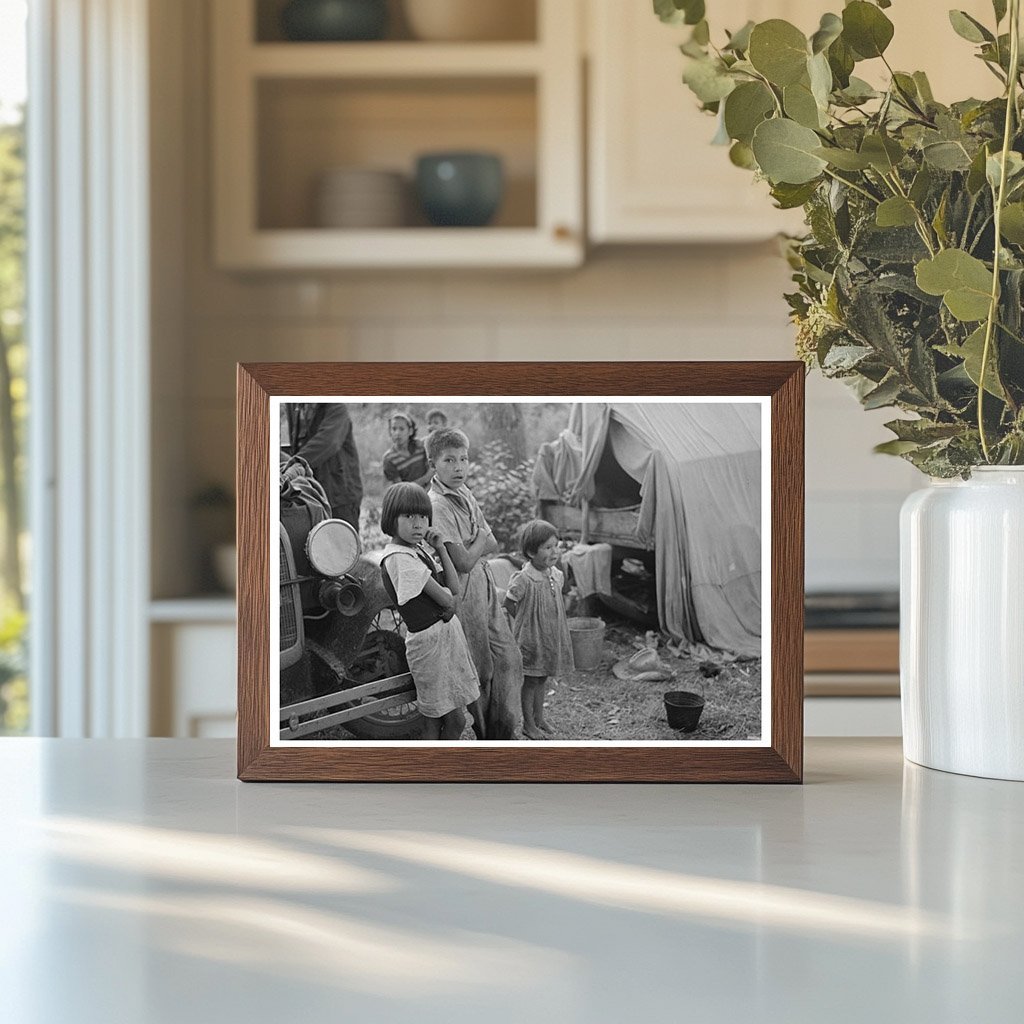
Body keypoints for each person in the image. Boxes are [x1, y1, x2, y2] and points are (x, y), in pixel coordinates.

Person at [427, 427, 524, 740]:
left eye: (464, 459)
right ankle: (487, 736)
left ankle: (504, 731)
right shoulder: (437, 505)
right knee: (479, 667)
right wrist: (479, 536)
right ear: (433, 465)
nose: (459, 467)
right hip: (464, 592)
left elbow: (494, 544)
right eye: (449, 460)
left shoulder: (465, 493)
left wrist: (477, 541)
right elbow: (464, 561)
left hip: (484, 583)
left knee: (508, 658)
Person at [379, 483, 480, 740]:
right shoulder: (399, 558)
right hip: (430, 644)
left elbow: (454, 586)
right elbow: (448, 601)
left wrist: (442, 548)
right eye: (409, 517)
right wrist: (450, 601)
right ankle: (438, 768)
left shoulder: (416, 550)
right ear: (391, 519)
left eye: (423, 517)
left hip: (443, 638)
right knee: (453, 719)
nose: (418, 524)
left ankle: (434, 766)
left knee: (436, 719)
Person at [504, 520, 574, 739]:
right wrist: (526, 624)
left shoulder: (556, 575)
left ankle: (539, 717)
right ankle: (528, 724)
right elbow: (508, 603)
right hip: (531, 639)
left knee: (542, 678)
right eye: (548, 547)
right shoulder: (524, 579)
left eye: (556, 545)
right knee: (531, 681)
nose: (555, 551)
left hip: (549, 637)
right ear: (531, 552)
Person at [287, 402, 363, 529]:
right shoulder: (297, 407)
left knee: (343, 543)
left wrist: (296, 464)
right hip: (315, 493)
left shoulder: (336, 407)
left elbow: (329, 442)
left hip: (340, 494)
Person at [382, 411, 432, 488]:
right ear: (390, 431)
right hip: (409, 496)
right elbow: (401, 489)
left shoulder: (421, 447)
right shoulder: (389, 459)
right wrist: (426, 478)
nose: (397, 433)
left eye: (402, 429)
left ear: (410, 431)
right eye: (394, 429)